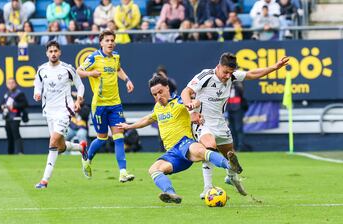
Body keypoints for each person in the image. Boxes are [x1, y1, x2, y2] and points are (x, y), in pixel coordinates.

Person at [117, 74, 241, 204]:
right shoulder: (158, 108)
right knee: (154, 169)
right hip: (172, 153)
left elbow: (194, 103)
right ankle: (171, 193)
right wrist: (129, 126)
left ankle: (230, 165)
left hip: (185, 143)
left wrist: (194, 106)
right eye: (154, 94)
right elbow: (148, 119)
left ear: (167, 88)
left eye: (160, 92)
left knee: (200, 151)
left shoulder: (179, 102)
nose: (158, 97)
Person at [181, 52, 289, 198]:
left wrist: (274, 67)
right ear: (218, 67)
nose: (227, 76)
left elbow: (252, 74)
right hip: (202, 122)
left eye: (230, 73)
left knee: (230, 154)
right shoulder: (205, 76)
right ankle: (207, 188)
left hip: (220, 123)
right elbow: (186, 91)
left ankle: (231, 177)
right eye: (225, 72)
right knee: (209, 147)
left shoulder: (232, 76)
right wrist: (191, 110)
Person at [76, 29, 135, 182]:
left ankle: (123, 172)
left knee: (119, 137)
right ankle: (86, 159)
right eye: (107, 40)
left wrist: (127, 80)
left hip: (115, 104)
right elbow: (79, 71)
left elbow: (118, 69)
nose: (110, 43)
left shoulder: (116, 56)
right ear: (101, 43)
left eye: (112, 40)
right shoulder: (94, 57)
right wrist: (90, 74)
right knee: (102, 138)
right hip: (99, 105)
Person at [33, 40, 87, 189]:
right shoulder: (41, 70)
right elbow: (37, 85)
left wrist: (78, 100)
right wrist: (37, 93)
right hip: (49, 111)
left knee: (53, 142)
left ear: (60, 52)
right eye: (50, 51)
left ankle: (44, 180)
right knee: (60, 146)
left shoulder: (67, 69)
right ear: (47, 53)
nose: (53, 54)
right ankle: (81, 148)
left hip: (64, 110)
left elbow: (80, 86)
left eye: (55, 51)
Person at [1, 78, 28, 154]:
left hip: (16, 117)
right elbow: (2, 103)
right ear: (7, 85)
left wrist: (14, 106)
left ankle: (20, 152)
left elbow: (25, 104)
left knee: (16, 135)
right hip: (8, 117)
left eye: (12, 83)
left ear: (15, 84)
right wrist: (3, 106)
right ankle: (10, 153)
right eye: (9, 83)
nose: (11, 84)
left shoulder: (19, 93)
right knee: (9, 136)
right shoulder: (7, 94)